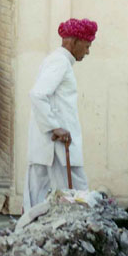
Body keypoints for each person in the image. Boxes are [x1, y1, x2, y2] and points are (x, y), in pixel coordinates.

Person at [23, 18, 98, 212]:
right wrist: (54, 127)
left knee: (42, 200)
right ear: (73, 42)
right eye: (87, 46)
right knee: (75, 198)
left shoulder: (57, 60)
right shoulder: (60, 62)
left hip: (52, 145)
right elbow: (38, 94)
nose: (88, 51)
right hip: (56, 146)